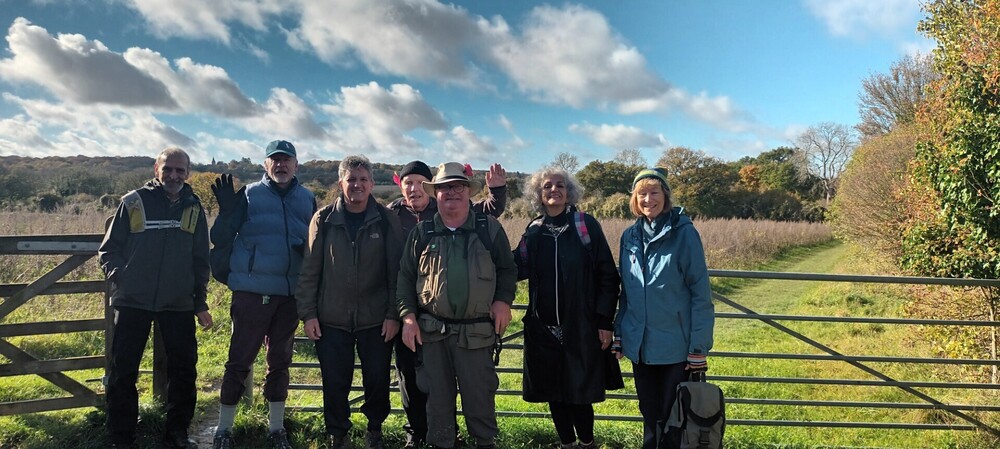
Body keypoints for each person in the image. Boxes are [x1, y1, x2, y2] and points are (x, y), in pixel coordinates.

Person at [386, 160, 507, 448]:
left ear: (468, 191)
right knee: (437, 401)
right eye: (444, 188)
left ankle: (484, 444)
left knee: (479, 396)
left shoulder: (487, 228)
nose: (451, 192)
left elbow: (507, 268)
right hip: (433, 333)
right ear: (436, 193)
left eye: (458, 186)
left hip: (476, 333)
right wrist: (408, 318)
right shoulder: (423, 232)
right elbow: (405, 278)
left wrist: (503, 301)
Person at [98, 147, 213, 449]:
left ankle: (175, 434)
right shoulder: (133, 202)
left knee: (184, 370)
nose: (174, 175)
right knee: (123, 371)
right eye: (169, 169)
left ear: (188, 173)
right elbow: (109, 250)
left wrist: (199, 301)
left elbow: (201, 259)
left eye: (180, 170)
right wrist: (122, 278)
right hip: (133, 300)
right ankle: (121, 437)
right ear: (156, 169)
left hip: (177, 302)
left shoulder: (194, 207)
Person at [210, 140, 316, 449]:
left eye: (287, 160)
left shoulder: (307, 198)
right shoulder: (249, 195)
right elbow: (219, 237)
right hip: (252, 291)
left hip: (289, 295)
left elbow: (314, 240)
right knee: (239, 360)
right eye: (275, 160)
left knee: (279, 362)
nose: (281, 165)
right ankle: (223, 430)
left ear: (296, 165)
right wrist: (227, 214)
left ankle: (276, 429)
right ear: (265, 165)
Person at [296, 155, 404, 449]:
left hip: (376, 319)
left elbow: (396, 272)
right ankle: (338, 435)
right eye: (351, 179)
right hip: (331, 318)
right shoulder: (324, 219)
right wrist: (308, 314)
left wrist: (394, 314)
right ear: (341, 182)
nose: (357, 185)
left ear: (371, 184)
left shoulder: (385, 219)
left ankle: (375, 431)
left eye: (363, 179)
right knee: (334, 383)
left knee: (377, 382)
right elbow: (310, 270)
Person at [513, 168, 623, 449]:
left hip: (582, 326)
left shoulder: (585, 225)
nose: (553, 190)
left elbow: (608, 276)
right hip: (543, 328)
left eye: (559, 185)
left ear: (569, 191)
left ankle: (587, 443)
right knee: (554, 393)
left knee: (580, 393)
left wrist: (604, 322)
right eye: (547, 186)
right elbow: (516, 267)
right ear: (538, 194)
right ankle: (567, 444)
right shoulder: (534, 231)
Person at [614, 168, 714, 449]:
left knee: (674, 414)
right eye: (641, 193)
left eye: (654, 192)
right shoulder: (629, 236)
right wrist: (620, 332)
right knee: (649, 412)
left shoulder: (684, 234)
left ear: (666, 196)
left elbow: (700, 293)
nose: (648, 199)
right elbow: (627, 291)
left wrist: (698, 347)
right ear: (634, 199)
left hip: (676, 345)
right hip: (640, 343)